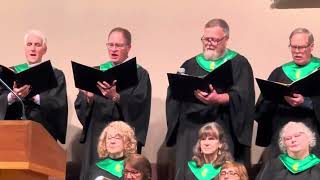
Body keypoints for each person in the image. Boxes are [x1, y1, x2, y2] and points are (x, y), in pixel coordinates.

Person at [165, 18, 255, 172]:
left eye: (214, 40)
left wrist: (219, 99)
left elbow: (244, 97)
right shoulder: (190, 64)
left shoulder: (239, 63)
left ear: (226, 39)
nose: (209, 43)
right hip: (192, 128)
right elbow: (174, 96)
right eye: (206, 39)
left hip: (223, 127)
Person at [75, 27, 151, 180]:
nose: (113, 49)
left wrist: (116, 96)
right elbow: (82, 109)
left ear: (129, 47)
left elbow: (140, 106)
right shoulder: (95, 72)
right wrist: (88, 98)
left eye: (119, 45)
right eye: (110, 45)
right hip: (97, 136)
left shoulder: (140, 74)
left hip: (123, 139)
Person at [255, 28, 320, 161]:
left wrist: (307, 102)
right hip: (282, 135)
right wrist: (274, 97)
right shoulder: (279, 73)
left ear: (312, 46)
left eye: (301, 47)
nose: (296, 51)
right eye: (293, 47)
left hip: (314, 135)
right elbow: (261, 109)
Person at [0, 30, 68, 143]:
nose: (33, 48)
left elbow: (59, 104)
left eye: (37, 45)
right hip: (13, 134)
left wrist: (34, 97)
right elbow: (1, 98)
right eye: (29, 44)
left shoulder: (56, 74)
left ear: (44, 50)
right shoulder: (11, 73)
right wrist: (13, 96)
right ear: (25, 49)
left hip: (43, 134)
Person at [256, 122, 320, 180]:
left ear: (309, 138)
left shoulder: (318, 166)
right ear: (284, 144)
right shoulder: (273, 165)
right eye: (288, 138)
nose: (293, 140)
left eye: (297, 135)